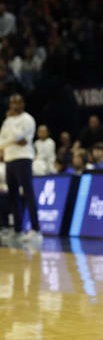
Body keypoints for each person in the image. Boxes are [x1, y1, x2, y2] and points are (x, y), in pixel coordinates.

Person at [0, 94, 40, 242]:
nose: (14, 106)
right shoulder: (7, 121)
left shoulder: (27, 119)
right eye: (11, 103)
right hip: (9, 160)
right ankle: (17, 230)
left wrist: (10, 135)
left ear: (23, 104)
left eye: (17, 102)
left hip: (23, 159)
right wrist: (10, 141)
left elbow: (22, 140)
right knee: (13, 196)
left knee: (28, 193)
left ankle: (36, 230)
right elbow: (2, 141)